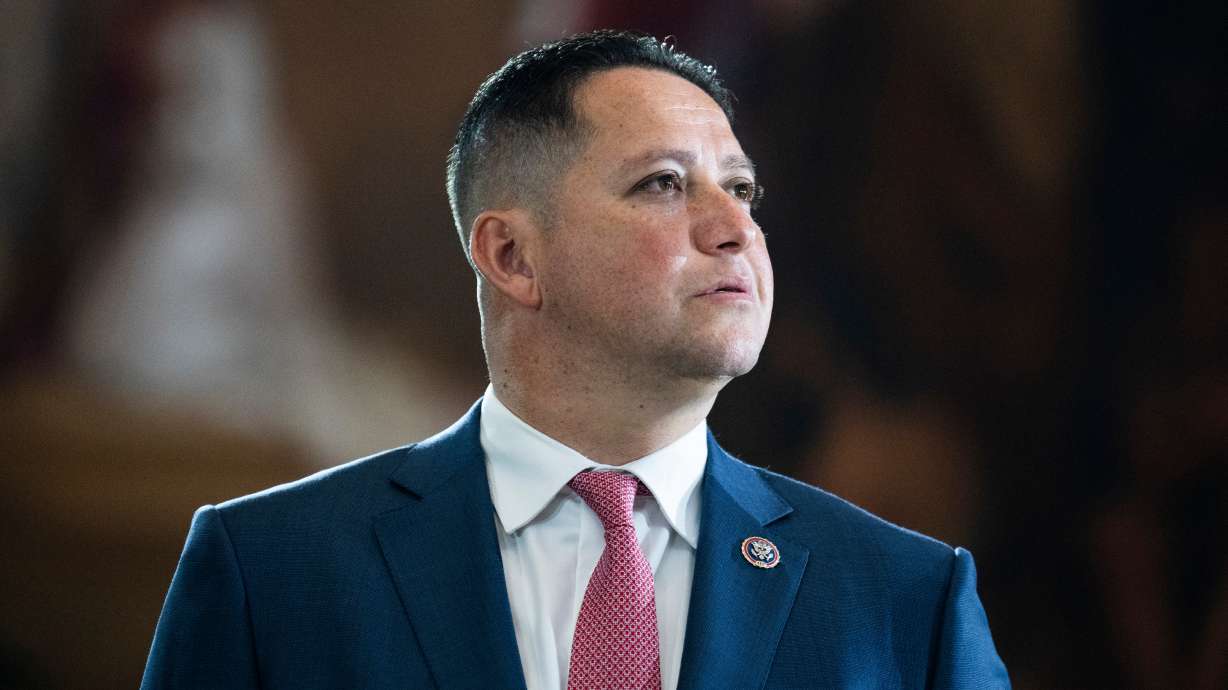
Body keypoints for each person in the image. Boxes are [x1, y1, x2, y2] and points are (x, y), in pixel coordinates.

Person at [141, 30, 1009, 689]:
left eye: (740, 188)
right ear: (513, 257)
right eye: (665, 183)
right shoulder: (269, 570)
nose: (734, 227)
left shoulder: (907, 601)